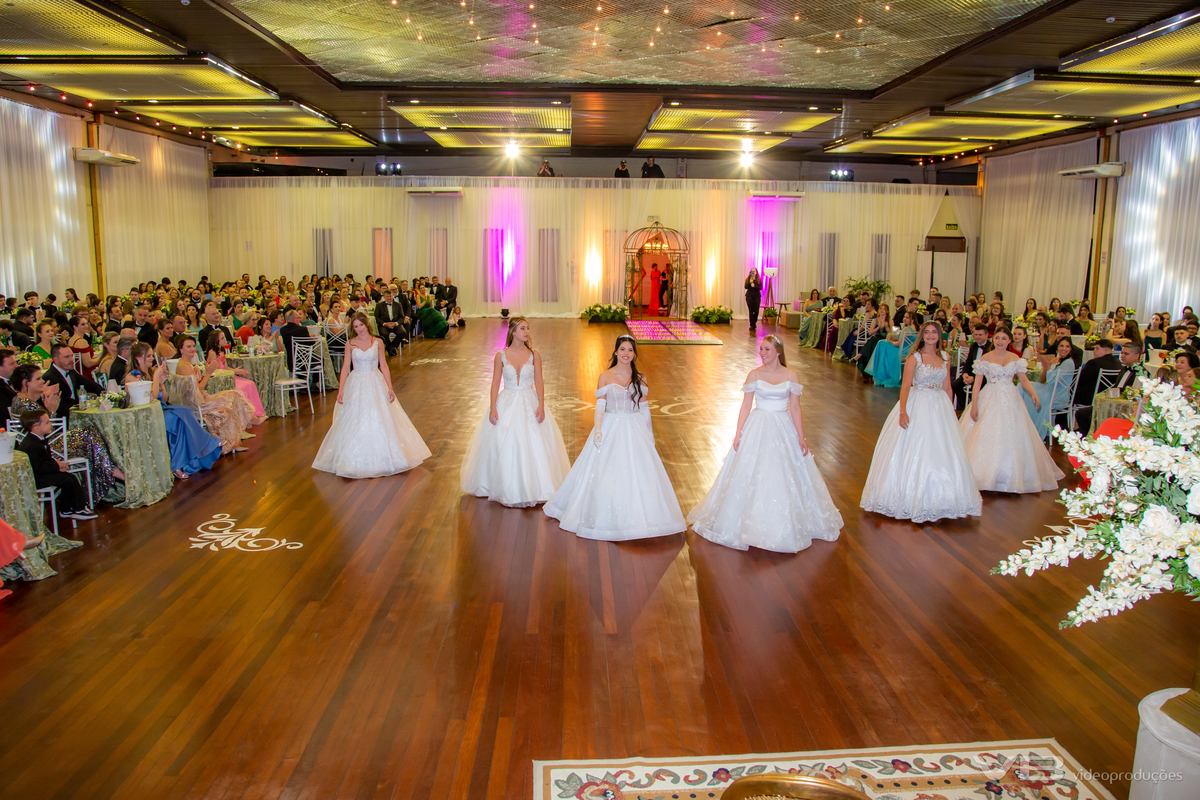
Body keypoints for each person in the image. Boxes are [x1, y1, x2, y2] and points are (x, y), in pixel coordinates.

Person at [688, 336, 842, 552]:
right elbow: (745, 405)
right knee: (753, 470)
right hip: (758, 425)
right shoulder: (755, 374)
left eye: (767, 349)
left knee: (784, 471)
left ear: (778, 351)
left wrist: (801, 436)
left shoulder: (791, 375)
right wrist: (738, 433)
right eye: (761, 349)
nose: (762, 353)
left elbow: (795, 408)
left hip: (782, 426)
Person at [544, 334, 685, 540]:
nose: (626, 353)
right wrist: (598, 429)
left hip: (634, 426)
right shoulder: (605, 376)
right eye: (623, 349)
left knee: (638, 471)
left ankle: (636, 517)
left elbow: (644, 408)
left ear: (634, 354)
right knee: (607, 468)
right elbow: (600, 406)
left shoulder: (640, 378)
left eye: (630, 350)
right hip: (611, 426)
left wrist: (650, 434)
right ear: (616, 352)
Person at [860, 322, 982, 523]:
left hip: (940, 405)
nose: (931, 335)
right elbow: (906, 387)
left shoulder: (945, 357)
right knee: (917, 446)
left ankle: (943, 498)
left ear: (939, 335)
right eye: (927, 332)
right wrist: (903, 411)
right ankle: (909, 498)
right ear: (922, 336)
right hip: (918, 403)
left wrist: (951, 411)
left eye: (934, 332)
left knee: (943, 449)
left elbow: (947, 387)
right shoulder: (914, 358)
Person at [461, 318, 570, 507]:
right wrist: (493, 407)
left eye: (527, 328)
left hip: (529, 400)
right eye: (522, 328)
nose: (527, 331)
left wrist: (541, 404)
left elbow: (539, 380)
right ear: (512, 331)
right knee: (503, 442)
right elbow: (495, 382)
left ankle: (536, 487)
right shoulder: (501, 356)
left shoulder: (534, 355)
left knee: (533, 442)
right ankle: (501, 485)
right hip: (507, 401)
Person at [312, 313, 431, 478]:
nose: (359, 329)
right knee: (355, 417)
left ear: (366, 324)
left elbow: (384, 365)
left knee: (380, 416)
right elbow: (345, 367)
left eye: (361, 325)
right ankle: (353, 458)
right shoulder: (350, 344)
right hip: (356, 382)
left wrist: (390, 388)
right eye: (355, 326)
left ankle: (386, 457)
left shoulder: (378, 342)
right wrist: (341, 389)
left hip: (375, 381)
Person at [958, 327, 1063, 493]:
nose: (1000, 341)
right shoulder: (985, 358)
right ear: (993, 340)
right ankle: (985, 474)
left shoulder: (1015, 358)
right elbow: (977, 384)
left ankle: (1009, 474)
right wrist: (974, 403)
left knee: (1012, 432)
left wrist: (1034, 394)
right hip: (990, 396)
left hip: (1010, 397)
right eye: (997, 338)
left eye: (1004, 338)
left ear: (1009, 341)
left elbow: (1023, 380)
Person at [10, 364, 123, 505]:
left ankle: (107, 478)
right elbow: (47, 432)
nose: (42, 381)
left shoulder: (20, 400)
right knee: (90, 436)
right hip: (45, 449)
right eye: (38, 379)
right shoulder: (27, 405)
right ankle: (113, 476)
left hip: (44, 445)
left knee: (90, 436)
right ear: (25, 383)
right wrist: (52, 410)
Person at [126, 343, 220, 479]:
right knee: (177, 420)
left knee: (186, 411)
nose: (152, 358)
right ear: (138, 358)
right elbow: (150, 398)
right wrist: (156, 378)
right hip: (146, 415)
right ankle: (199, 450)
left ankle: (189, 458)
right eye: (149, 356)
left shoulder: (149, 373)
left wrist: (161, 384)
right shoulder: (132, 377)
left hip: (161, 408)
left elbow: (164, 398)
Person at [173, 337, 254, 454]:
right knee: (232, 401)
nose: (192, 349)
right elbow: (198, 388)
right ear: (181, 350)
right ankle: (231, 442)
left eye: (193, 346)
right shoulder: (186, 366)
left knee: (234, 395)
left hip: (195, 400)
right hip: (197, 405)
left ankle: (234, 440)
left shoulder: (184, 364)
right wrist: (208, 373)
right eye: (188, 346)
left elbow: (193, 388)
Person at [17, 409, 95, 521]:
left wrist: (57, 465)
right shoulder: (32, 445)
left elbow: (45, 461)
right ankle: (78, 509)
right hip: (35, 478)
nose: (51, 424)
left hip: (40, 473)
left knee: (70, 477)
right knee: (66, 480)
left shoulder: (38, 440)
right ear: (36, 427)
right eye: (47, 422)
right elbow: (39, 467)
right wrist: (57, 467)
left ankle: (67, 508)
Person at [204, 331, 266, 422]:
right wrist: (235, 371)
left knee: (250, 383)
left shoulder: (221, 351)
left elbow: (226, 368)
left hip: (227, 376)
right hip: (221, 379)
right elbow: (216, 371)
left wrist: (239, 371)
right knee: (243, 387)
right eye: (222, 338)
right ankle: (246, 417)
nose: (225, 340)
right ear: (215, 340)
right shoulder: (212, 353)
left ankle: (254, 413)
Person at [1024, 337, 1078, 438]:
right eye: (1062, 346)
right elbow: (1042, 379)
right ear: (1057, 347)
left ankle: (1031, 430)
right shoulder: (1055, 360)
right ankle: (1026, 427)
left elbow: (1053, 381)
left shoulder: (1068, 362)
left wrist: (1048, 368)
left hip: (1058, 395)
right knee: (1025, 387)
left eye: (1067, 346)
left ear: (1071, 349)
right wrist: (1045, 369)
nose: (1064, 348)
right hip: (1049, 390)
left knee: (1027, 391)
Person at [43, 343, 104, 421]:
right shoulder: (49, 378)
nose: (72, 359)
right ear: (55, 359)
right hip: (64, 420)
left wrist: (105, 395)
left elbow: (91, 385)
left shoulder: (71, 371)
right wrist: (80, 407)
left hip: (77, 414)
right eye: (66, 357)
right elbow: (60, 406)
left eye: (72, 355)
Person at [1071, 338, 1121, 433]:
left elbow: (1079, 380)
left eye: (1097, 349)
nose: (1094, 351)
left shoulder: (1094, 363)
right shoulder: (1118, 363)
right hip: (1106, 396)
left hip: (1089, 398)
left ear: (1106, 350)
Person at [951, 323, 991, 410]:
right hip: (971, 374)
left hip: (985, 377)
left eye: (980, 335)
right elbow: (968, 363)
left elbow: (990, 369)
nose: (977, 337)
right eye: (975, 334)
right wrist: (965, 374)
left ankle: (976, 406)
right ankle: (964, 407)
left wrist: (973, 378)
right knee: (955, 384)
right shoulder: (973, 345)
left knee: (977, 386)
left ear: (986, 335)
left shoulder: (991, 348)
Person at [374, 286, 408, 356]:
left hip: (395, 324)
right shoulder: (379, 305)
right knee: (384, 334)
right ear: (384, 297)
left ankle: (391, 347)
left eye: (390, 296)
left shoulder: (398, 305)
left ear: (393, 296)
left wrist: (396, 323)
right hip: (384, 324)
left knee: (403, 332)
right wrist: (385, 324)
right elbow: (377, 318)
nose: (389, 298)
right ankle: (391, 348)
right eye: (387, 296)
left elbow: (402, 317)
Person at [66, 316, 98, 380]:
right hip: (85, 374)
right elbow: (88, 364)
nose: (86, 326)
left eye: (86, 323)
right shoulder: (81, 341)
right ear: (75, 327)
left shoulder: (71, 339)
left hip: (77, 372)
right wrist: (102, 357)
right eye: (83, 324)